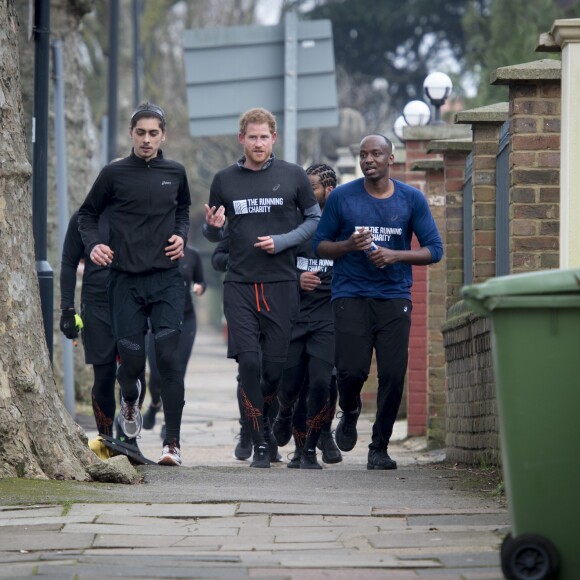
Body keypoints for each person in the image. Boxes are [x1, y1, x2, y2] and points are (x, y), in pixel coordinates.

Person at [313, 133, 443, 470]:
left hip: (393, 296)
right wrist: (348, 246)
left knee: (393, 375)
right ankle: (351, 409)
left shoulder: (411, 199)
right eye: (363, 154)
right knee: (351, 371)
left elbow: (434, 250)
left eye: (376, 154)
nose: (368, 160)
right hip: (350, 294)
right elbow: (320, 245)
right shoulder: (342, 197)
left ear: (390, 159)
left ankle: (379, 448)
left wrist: (396, 255)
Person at [203, 107, 321, 468]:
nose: (258, 143)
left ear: (274, 138)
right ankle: (259, 442)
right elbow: (214, 233)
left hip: (281, 284)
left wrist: (284, 241)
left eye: (264, 137)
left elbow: (314, 218)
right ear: (242, 139)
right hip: (239, 284)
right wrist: (211, 226)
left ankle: (263, 425)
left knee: (273, 370)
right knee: (249, 363)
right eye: (251, 137)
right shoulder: (224, 179)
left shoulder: (293, 176)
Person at [79, 101, 191, 466]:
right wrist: (95, 244)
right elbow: (88, 213)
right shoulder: (114, 174)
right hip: (124, 280)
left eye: (153, 133)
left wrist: (180, 235)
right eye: (140, 133)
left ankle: (171, 444)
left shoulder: (175, 172)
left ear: (163, 135)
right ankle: (130, 397)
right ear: (131, 134)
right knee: (131, 361)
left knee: (169, 358)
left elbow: (184, 209)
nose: (146, 140)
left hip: (166, 279)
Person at [272, 164, 342, 469]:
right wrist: (297, 279)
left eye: (311, 186)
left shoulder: (343, 226)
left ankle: (309, 448)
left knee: (320, 384)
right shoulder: (294, 225)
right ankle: (285, 413)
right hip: (294, 316)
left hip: (327, 317)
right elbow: (274, 267)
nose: (305, 192)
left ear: (328, 190)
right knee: (290, 386)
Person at [59, 208, 145, 445]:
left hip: (134, 300)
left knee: (134, 368)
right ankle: (106, 440)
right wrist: (67, 309)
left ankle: (130, 438)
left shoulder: (139, 212)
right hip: (96, 304)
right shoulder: (83, 218)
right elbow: (68, 263)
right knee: (104, 374)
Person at [142, 245, 207, 436]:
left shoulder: (192, 254)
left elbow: (202, 282)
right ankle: (155, 404)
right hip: (157, 319)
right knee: (155, 376)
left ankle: (169, 423)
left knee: (176, 372)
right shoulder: (152, 249)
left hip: (185, 320)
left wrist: (199, 287)